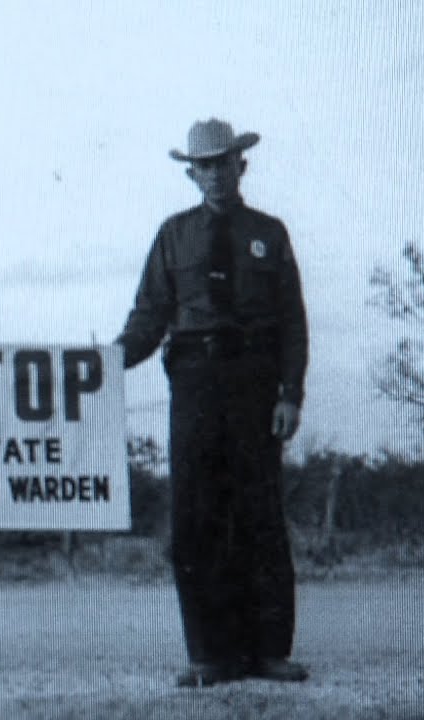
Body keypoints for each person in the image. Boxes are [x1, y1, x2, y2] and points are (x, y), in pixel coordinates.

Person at [116, 118, 309, 687]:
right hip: (195, 382)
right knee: (197, 518)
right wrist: (106, 362)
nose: (216, 174)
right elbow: (148, 317)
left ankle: (269, 651)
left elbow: (293, 323)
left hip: (255, 381)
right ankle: (209, 654)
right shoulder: (173, 236)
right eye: (204, 165)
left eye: (224, 162)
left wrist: (290, 394)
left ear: (240, 166)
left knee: (260, 515)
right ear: (192, 174)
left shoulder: (269, 234)